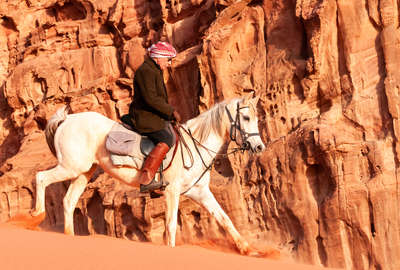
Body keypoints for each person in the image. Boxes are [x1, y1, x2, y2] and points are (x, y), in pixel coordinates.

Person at [129, 41, 181, 193]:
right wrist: (171, 111)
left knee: (174, 135)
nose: (169, 63)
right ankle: (146, 180)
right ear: (158, 58)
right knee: (167, 138)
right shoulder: (146, 71)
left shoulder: (154, 70)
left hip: (153, 114)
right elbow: (151, 99)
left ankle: (159, 177)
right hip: (144, 116)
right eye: (167, 59)